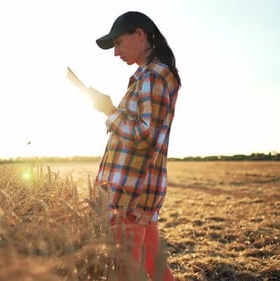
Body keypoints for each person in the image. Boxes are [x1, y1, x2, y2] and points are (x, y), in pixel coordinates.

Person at [88, 11, 181, 281]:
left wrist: (109, 111)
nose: (116, 52)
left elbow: (145, 136)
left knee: (126, 272)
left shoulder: (153, 75)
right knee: (155, 266)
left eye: (118, 43)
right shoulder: (151, 74)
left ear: (140, 34)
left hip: (129, 192)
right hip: (141, 191)